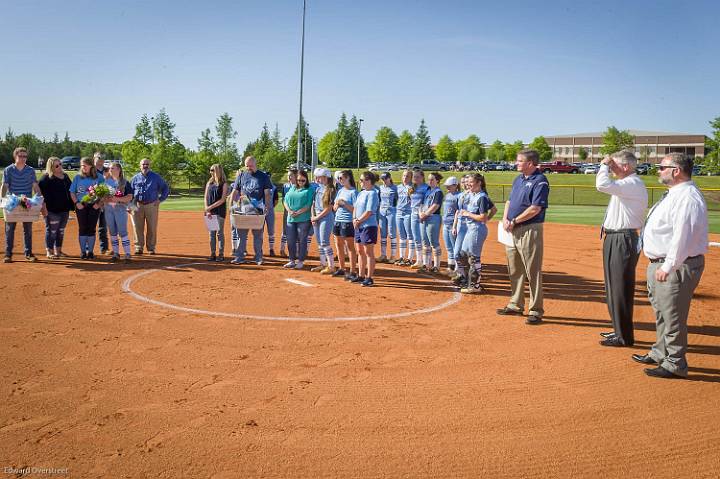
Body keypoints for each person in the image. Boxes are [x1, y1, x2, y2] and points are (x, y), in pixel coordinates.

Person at [633, 153, 708, 379]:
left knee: (673, 316)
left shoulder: (687, 197)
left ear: (676, 170)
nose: (658, 170)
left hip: (676, 265)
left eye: (662, 167)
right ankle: (660, 352)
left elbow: (682, 237)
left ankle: (676, 363)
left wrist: (668, 266)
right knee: (662, 313)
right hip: (661, 263)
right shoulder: (675, 194)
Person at [595, 150, 648, 347]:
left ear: (625, 166)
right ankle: (618, 329)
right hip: (615, 237)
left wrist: (603, 165)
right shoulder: (625, 184)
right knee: (612, 286)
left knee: (620, 287)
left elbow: (601, 184)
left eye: (614, 164)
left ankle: (624, 336)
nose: (611, 167)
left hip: (623, 238)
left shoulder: (632, 183)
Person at [497, 149, 550, 325]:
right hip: (511, 229)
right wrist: (505, 219)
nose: (516, 163)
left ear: (530, 163)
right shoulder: (518, 179)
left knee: (532, 271)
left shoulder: (540, 181)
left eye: (519, 161)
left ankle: (535, 310)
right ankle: (515, 304)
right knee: (515, 269)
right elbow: (509, 202)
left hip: (529, 229)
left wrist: (514, 220)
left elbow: (536, 208)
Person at [454, 173, 496, 294]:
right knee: (462, 254)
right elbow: (494, 209)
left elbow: (483, 216)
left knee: (473, 258)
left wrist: (470, 214)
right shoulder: (473, 195)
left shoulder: (481, 197)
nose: (468, 184)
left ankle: (475, 285)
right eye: (468, 182)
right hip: (470, 229)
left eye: (471, 182)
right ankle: (468, 280)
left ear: (479, 183)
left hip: (477, 230)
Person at [231, 156, 272, 265]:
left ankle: (258, 257)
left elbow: (267, 193)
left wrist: (267, 206)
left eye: (251, 166)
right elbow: (235, 191)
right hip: (243, 209)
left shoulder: (263, 177)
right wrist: (232, 206)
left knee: (258, 235)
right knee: (241, 235)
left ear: (255, 164)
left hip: (257, 210)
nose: (249, 168)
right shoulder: (241, 175)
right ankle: (240, 256)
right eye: (247, 166)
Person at [2, 147, 41, 263]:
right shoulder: (8, 170)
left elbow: (35, 185)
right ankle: (8, 254)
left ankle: (28, 253)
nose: (23, 158)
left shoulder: (30, 170)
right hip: (12, 201)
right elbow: (4, 186)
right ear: (15, 156)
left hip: (26, 201)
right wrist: (2, 199)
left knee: (27, 229)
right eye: (21, 156)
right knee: (9, 229)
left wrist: (39, 198)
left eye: (25, 156)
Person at [129, 158, 170, 255]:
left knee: (152, 227)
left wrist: (160, 200)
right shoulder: (135, 178)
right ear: (140, 166)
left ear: (149, 165)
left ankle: (151, 248)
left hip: (151, 205)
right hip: (137, 205)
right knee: (137, 227)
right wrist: (130, 205)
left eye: (147, 164)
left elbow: (165, 188)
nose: (145, 166)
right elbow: (129, 193)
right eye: (143, 164)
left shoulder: (156, 177)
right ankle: (138, 247)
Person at [69, 157, 105, 259]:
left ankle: (90, 252)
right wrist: (76, 203)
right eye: (81, 165)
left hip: (94, 205)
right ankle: (83, 252)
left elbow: (103, 192)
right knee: (82, 228)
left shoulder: (99, 177)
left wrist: (99, 203)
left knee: (91, 229)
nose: (82, 167)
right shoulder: (78, 177)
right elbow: (72, 192)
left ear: (91, 166)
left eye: (84, 165)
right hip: (81, 206)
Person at [38, 157, 74, 259]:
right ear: (51, 167)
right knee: (52, 231)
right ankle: (49, 252)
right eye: (57, 165)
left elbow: (71, 190)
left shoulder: (65, 176)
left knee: (61, 231)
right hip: (51, 210)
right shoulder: (45, 178)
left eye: (60, 164)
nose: (60, 167)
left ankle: (58, 251)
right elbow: (39, 195)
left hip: (64, 209)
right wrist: (43, 208)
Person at [282, 169, 314, 269]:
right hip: (291, 218)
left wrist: (298, 212)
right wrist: (290, 211)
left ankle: (300, 261)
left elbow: (309, 205)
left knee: (302, 240)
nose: (300, 182)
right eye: (299, 180)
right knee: (290, 240)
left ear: (306, 180)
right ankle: (291, 260)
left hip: (303, 219)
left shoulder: (309, 189)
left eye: (303, 180)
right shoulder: (292, 188)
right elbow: (285, 201)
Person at [353, 171, 380, 286]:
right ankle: (361, 275)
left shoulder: (373, 193)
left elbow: (369, 212)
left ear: (369, 181)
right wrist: (354, 219)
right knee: (359, 251)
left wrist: (358, 220)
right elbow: (355, 207)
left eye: (362, 180)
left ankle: (369, 277)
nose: (360, 182)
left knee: (368, 252)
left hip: (368, 226)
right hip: (358, 225)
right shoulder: (361, 193)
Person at [104, 161, 134, 262]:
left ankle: (127, 254)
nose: (110, 170)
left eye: (112, 168)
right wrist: (104, 198)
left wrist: (118, 199)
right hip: (108, 209)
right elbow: (102, 196)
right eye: (109, 168)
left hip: (120, 209)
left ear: (119, 170)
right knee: (112, 232)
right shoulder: (106, 182)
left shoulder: (125, 182)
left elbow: (129, 197)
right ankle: (116, 254)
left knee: (122, 232)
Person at [331, 170, 359, 280]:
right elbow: (334, 208)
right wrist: (337, 205)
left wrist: (345, 204)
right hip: (337, 220)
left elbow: (356, 210)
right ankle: (342, 268)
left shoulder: (353, 192)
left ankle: (353, 271)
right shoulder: (340, 191)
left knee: (350, 247)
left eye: (341, 178)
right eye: (339, 178)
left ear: (348, 178)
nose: (340, 180)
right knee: (338, 245)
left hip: (347, 222)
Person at [310, 168, 336, 274]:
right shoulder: (318, 189)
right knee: (320, 242)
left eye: (319, 177)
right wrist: (313, 216)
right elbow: (313, 203)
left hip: (325, 217)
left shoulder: (331, 190)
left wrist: (316, 217)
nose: (317, 179)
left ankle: (331, 266)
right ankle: (323, 263)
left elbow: (328, 209)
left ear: (326, 177)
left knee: (325, 241)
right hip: (316, 217)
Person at [418, 172, 444, 273]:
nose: (430, 181)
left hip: (433, 217)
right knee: (425, 242)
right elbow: (421, 204)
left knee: (434, 242)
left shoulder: (438, 192)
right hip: (424, 217)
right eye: (428, 179)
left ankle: (436, 266)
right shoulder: (427, 190)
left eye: (432, 179)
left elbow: (435, 206)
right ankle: (426, 264)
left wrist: (425, 214)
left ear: (437, 181)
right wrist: (420, 213)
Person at [204, 163, 228, 262]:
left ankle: (221, 254)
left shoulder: (224, 184)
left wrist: (210, 207)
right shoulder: (209, 183)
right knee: (211, 234)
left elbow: (222, 200)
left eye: (212, 170)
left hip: (219, 211)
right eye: (210, 170)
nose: (210, 172)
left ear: (217, 171)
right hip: (210, 212)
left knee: (219, 233)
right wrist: (207, 209)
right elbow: (205, 197)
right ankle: (213, 253)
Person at [409, 169, 430, 269]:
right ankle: (419, 260)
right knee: (416, 238)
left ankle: (427, 262)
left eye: (417, 176)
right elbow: (410, 200)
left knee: (424, 238)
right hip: (413, 214)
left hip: (423, 215)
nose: (415, 178)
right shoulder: (412, 188)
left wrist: (423, 212)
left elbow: (427, 203)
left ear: (422, 177)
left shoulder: (427, 188)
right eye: (414, 177)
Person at [451, 175, 472, 276]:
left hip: (469, 226)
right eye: (463, 182)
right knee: (456, 253)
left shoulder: (473, 195)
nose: (465, 184)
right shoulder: (461, 195)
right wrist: (454, 226)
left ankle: (466, 276)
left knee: (465, 253)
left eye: (467, 182)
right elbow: (457, 211)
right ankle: (461, 274)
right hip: (460, 225)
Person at [441, 176, 461, 275]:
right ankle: (450, 267)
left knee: (455, 247)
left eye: (449, 186)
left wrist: (454, 225)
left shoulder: (459, 195)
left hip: (453, 224)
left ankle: (457, 269)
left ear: (455, 185)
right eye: (446, 186)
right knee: (449, 247)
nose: (447, 187)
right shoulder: (447, 195)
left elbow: (458, 211)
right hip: (445, 224)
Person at [394, 169, 414, 266]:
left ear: (411, 178)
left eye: (407, 176)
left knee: (410, 235)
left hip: (408, 213)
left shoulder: (411, 188)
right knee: (401, 236)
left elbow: (414, 201)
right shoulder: (398, 187)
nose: (405, 178)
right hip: (399, 213)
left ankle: (409, 258)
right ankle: (402, 257)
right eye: (404, 176)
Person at [377, 172, 398, 264]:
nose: (384, 181)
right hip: (381, 212)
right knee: (383, 234)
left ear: (389, 178)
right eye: (382, 179)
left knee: (392, 233)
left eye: (385, 178)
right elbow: (379, 200)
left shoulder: (395, 188)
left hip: (391, 212)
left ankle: (393, 256)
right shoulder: (380, 188)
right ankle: (383, 255)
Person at [94, 152, 109, 254]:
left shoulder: (107, 171)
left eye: (103, 158)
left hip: (105, 202)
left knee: (103, 227)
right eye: (99, 157)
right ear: (94, 158)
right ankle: (87, 249)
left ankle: (104, 248)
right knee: (90, 226)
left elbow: (112, 184)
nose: (101, 160)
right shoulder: (89, 171)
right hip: (92, 202)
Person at [279, 169, 297, 256]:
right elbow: (283, 199)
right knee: (285, 230)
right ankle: (282, 249)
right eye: (288, 175)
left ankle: (296, 251)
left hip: (298, 212)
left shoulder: (300, 186)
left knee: (297, 231)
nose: (289, 177)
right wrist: (289, 209)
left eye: (291, 175)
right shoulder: (285, 186)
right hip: (287, 211)